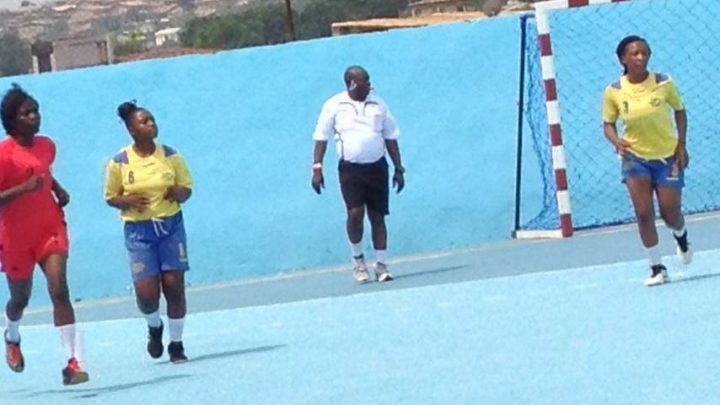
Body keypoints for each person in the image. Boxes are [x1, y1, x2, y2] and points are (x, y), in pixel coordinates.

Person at [0, 84, 89, 385]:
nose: (34, 116)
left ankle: (73, 363)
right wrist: (22, 190)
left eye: (36, 110)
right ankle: (12, 335)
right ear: (12, 120)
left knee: (59, 289)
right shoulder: (4, 155)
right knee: (19, 299)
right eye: (26, 113)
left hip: (49, 229)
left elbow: (43, 172)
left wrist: (57, 188)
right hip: (14, 237)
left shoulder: (47, 145)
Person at [104, 101, 192, 363]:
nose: (151, 124)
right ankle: (154, 327)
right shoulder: (119, 162)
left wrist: (178, 193)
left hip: (170, 226)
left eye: (152, 119)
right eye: (144, 121)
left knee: (175, 286)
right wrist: (127, 200)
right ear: (131, 129)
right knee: (146, 294)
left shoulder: (171, 155)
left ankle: (176, 344)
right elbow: (110, 197)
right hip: (139, 232)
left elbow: (186, 189)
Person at [602, 35, 692, 287]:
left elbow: (680, 110)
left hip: (667, 157)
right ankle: (656, 267)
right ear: (623, 59)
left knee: (670, 212)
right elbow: (608, 123)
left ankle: (681, 236)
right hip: (635, 159)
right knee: (643, 213)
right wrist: (616, 141)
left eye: (644, 53)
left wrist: (681, 144)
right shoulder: (615, 91)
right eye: (635, 54)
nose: (641, 57)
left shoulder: (663, 83)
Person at [311, 65, 405, 283]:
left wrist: (399, 168)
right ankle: (358, 261)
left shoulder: (378, 105)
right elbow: (321, 137)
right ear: (353, 83)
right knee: (355, 213)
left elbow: (390, 137)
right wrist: (317, 167)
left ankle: (381, 265)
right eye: (366, 80)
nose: (370, 84)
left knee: (378, 216)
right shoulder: (334, 105)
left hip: (377, 168)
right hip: (351, 169)